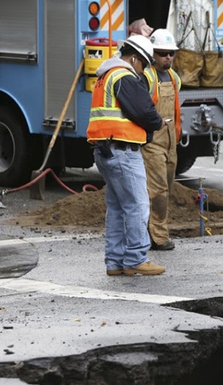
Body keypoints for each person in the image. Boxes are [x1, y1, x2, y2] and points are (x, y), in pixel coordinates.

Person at [87, 35, 168, 276]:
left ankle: (115, 262)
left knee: (117, 208)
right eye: (143, 64)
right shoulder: (124, 75)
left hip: (106, 150)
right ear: (134, 58)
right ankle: (135, 258)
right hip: (122, 151)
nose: (143, 71)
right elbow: (143, 111)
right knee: (138, 206)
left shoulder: (105, 75)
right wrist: (158, 122)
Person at [141, 29, 182, 251]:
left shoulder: (174, 78)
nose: (168, 57)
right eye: (162, 53)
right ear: (153, 54)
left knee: (166, 188)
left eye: (171, 53)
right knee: (157, 191)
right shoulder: (147, 77)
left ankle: (152, 231)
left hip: (170, 142)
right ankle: (157, 237)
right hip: (153, 144)